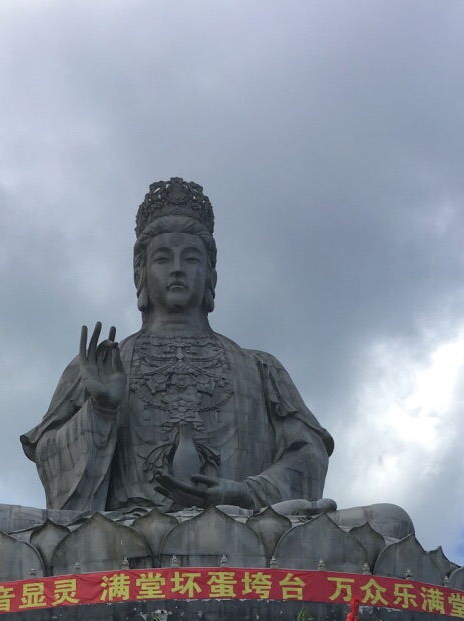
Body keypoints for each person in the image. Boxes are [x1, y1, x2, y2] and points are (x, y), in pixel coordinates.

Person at [20, 177, 336, 515]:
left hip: (241, 525)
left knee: (377, 518)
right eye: (162, 259)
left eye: (191, 259)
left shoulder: (259, 367)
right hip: (124, 528)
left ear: (211, 275)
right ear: (140, 274)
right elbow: (53, 469)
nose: (176, 270)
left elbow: (309, 454)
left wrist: (244, 493)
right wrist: (100, 411)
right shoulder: (102, 363)